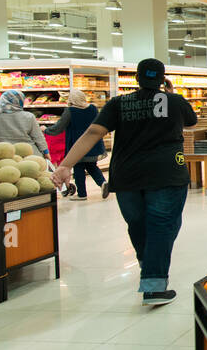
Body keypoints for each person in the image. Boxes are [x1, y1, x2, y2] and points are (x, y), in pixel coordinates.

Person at [53, 58, 196, 307]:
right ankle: (153, 285)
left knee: (137, 224)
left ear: (137, 79)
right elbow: (190, 121)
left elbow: (93, 133)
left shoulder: (119, 103)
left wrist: (66, 165)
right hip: (167, 173)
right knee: (162, 226)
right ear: (163, 80)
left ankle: (148, 265)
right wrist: (171, 95)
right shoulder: (175, 101)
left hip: (127, 174)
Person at [44, 90, 107, 201]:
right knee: (92, 166)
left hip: (76, 145)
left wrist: (46, 130)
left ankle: (82, 194)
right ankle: (103, 183)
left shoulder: (70, 111)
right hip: (93, 144)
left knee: (78, 168)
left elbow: (59, 127)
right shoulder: (93, 108)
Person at [0, 89, 48, 155]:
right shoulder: (29, 116)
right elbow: (38, 137)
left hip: (6, 154)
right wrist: (46, 152)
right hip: (29, 154)